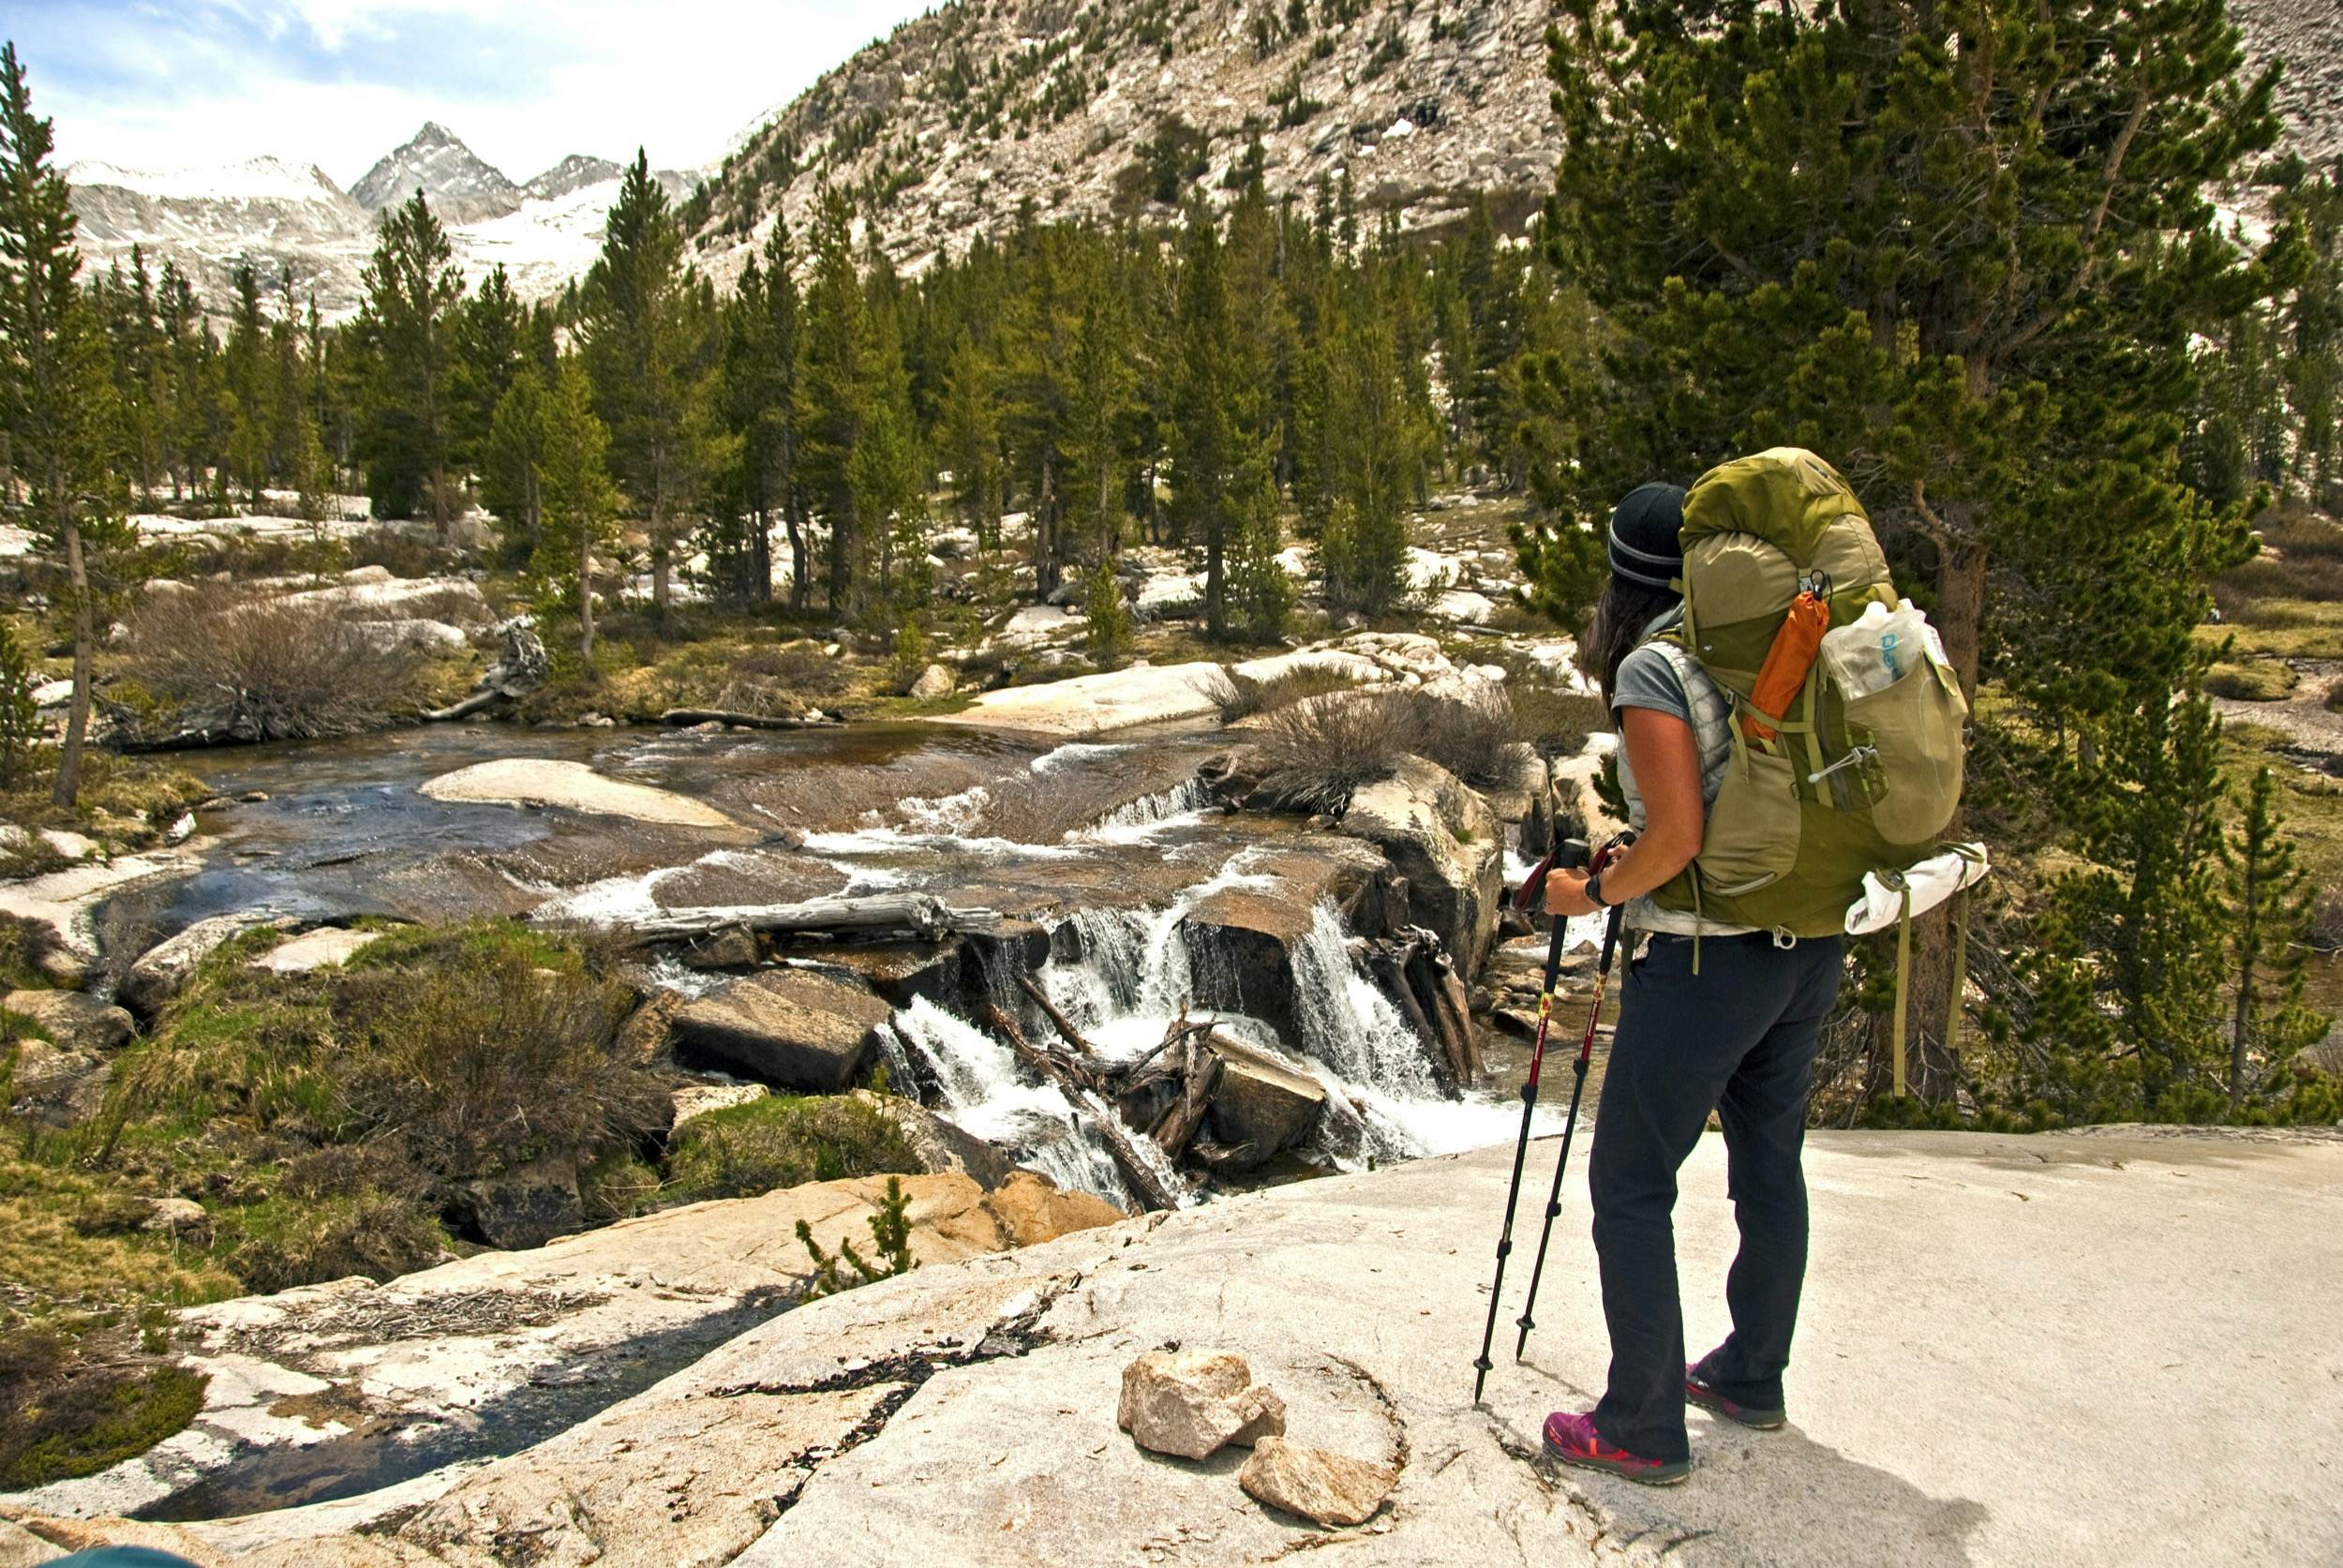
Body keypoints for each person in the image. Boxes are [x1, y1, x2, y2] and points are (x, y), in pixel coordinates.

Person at [1534, 481, 1845, 1485]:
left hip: (1708, 962)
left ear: (1624, 579)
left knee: (1627, 1182)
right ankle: (1751, 1373)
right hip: (1803, 941)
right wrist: (1645, 845)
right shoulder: (1759, 643)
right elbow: (1725, 797)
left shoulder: (1654, 665)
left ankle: (1640, 1422)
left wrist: (1588, 890)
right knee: (1768, 1158)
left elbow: (1676, 840)